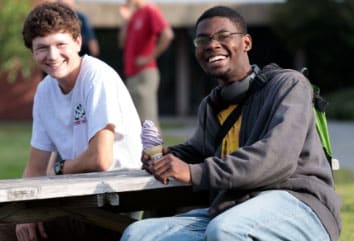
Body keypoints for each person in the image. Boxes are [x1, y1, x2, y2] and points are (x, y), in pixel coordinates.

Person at [120, 6, 342, 241]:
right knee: (138, 234)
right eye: (202, 39)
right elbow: (199, 150)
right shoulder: (212, 105)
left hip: (300, 205)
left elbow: (275, 158)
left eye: (223, 36)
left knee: (226, 230)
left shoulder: (288, 85)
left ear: (246, 43)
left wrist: (193, 172)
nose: (212, 44)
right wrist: (165, 158)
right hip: (233, 207)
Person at [1, 3, 142, 241]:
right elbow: (35, 168)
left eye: (60, 44)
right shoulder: (45, 91)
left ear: (77, 42)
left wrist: (60, 169)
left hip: (114, 198)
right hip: (77, 196)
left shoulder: (97, 77)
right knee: (11, 222)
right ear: (32, 53)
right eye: (42, 48)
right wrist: (26, 213)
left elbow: (100, 158)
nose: (53, 55)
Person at [118, 0, 174, 127]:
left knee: (148, 121)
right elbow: (122, 43)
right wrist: (126, 21)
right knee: (134, 122)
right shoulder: (134, 15)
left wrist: (149, 57)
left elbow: (167, 35)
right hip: (131, 75)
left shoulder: (150, 10)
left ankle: (154, 148)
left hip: (145, 74)